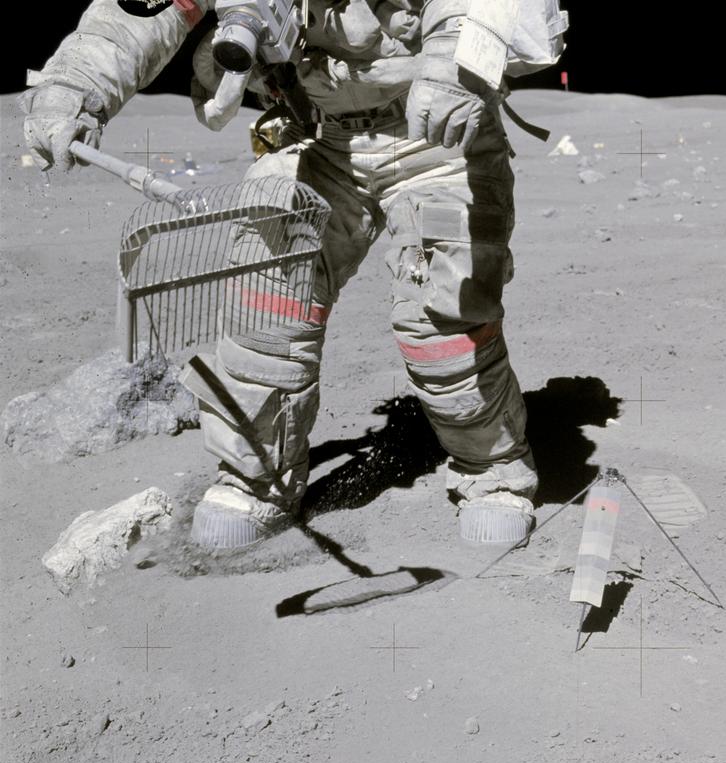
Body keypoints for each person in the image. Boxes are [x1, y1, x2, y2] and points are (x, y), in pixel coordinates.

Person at [21, 0, 563, 548]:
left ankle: (491, 471)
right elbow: (137, 16)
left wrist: (452, 66)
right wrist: (72, 89)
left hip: (434, 139)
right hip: (318, 139)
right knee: (267, 303)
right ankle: (257, 481)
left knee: (440, 314)